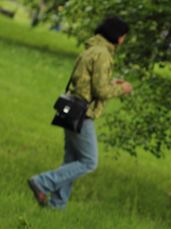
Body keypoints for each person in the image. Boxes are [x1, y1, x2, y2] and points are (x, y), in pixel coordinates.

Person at [27, 16, 133, 209]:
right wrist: (122, 89)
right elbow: (100, 91)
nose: (124, 40)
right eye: (124, 36)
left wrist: (111, 82)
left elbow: (88, 81)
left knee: (72, 159)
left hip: (71, 107)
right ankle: (43, 182)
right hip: (82, 113)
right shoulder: (103, 54)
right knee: (89, 161)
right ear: (118, 36)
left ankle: (57, 206)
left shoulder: (92, 49)